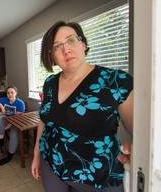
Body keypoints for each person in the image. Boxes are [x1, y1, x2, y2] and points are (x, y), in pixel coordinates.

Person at [31, 21, 133, 192]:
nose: (66, 49)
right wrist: (36, 155)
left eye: (71, 40)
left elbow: (144, 135)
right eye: (57, 46)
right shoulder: (50, 83)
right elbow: (44, 120)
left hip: (98, 176)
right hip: (52, 163)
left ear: (83, 44)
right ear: (52, 56)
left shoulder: (115, 81)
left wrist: (137, 144)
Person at [0, 85, 25, 165]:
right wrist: (0, 105)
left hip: (17, 121)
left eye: (12, 92)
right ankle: (1, 141)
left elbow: (18, 115)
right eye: (8, 93)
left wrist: (5, 111)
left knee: (13, 133)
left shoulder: (20, 103)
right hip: (7, 119)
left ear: (16, 93)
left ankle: (10, 155)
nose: (10, 94)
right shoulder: (5, 99)